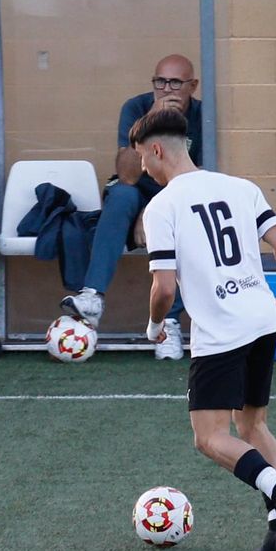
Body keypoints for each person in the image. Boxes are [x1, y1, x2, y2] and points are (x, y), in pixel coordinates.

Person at [133, 106, 276, 551]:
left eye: (141, 158)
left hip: (221, 332)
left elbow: (164, 286)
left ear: (156, 150)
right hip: (262, 319)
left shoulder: (161, 206)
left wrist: (155, 325)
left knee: (208, 437)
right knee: (253, 425)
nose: (142, 168)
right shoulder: (241, 187)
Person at [63, 53, 204, 360]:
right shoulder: (137, 108)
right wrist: (152, 117)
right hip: (135, 194)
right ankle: (92, 297)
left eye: (175, 83)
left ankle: (168, 322)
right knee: (121, 195)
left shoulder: (202, 116)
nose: (166, 90)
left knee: (185, 215)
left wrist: (153, 213)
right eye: (159, 82)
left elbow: (195, 179)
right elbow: (127, 174)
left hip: (177, 197)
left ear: (192, 86)